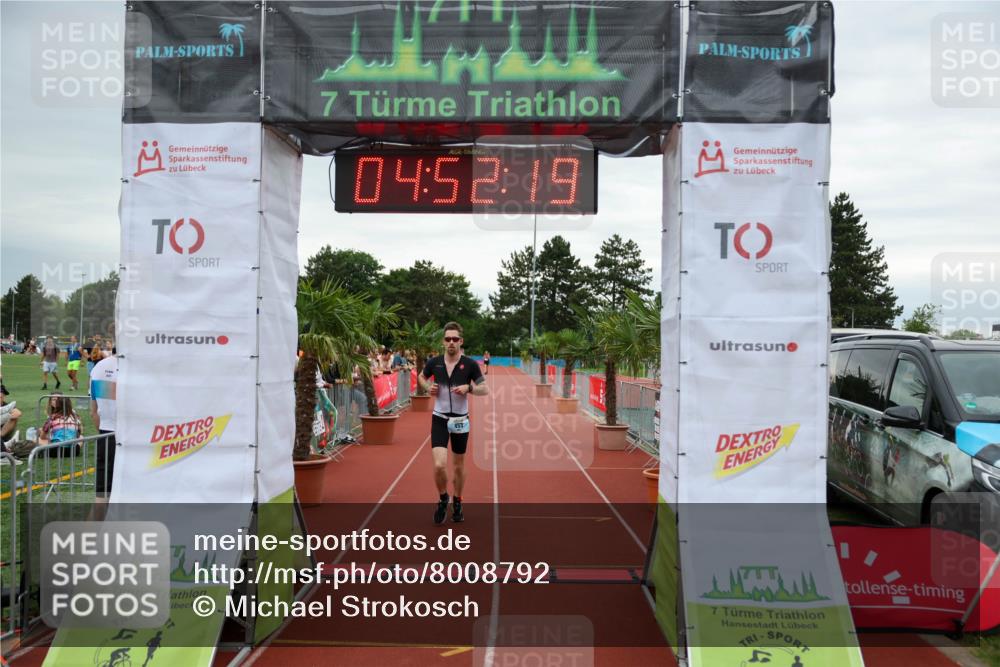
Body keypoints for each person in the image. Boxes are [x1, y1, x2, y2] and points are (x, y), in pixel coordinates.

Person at [418, 322, 488, 524]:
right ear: (443, 342)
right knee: (440, 465)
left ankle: (457, 501)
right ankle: (442, 499)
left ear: (461, 341)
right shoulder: (435, 362)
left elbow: (485, 389)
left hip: (460, 420)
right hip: (439, 418)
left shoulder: (470, 365)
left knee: (458, 466)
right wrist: (427, 386)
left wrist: (470, 388)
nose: (451, 342)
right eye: (448, 339)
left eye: (455, 339)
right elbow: (422, 378)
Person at [89, 349, 118, 506]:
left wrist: (102, 432)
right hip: (131, 435)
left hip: (106, 433)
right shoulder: (135, 368)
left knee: (102, 493)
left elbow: (93, 411)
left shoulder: (99, 367)